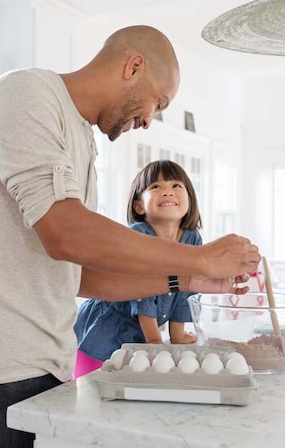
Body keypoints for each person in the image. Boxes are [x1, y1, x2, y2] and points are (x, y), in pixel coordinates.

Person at [0, 25, 261, 448]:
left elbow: (85, 277)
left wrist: (187, 281)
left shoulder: (82, 140)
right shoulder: (26, 95)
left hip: (46, 361)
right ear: (134, 66)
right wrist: (200, 259)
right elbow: (65, 234)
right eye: (156, 103)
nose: (148, 120)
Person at [73, 160, 203, 378]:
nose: (167, 192)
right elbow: (142, 293)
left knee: (130, 386)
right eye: (156, 187)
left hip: (142, 331)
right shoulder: (138, 236)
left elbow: (186, 288)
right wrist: (154, 341)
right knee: (94, 386)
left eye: (176, 186)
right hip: (106, 326)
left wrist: (177, 333)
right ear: (139, 206)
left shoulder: (192, 239)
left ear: (189, 198)